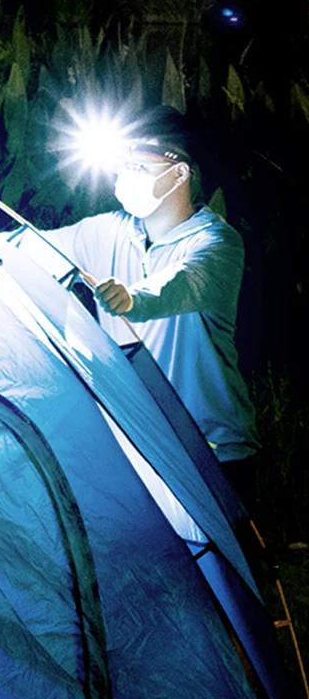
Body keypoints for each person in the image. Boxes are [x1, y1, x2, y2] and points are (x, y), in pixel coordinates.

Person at [30, 110, 260, 506]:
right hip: (139, 450)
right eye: (124, 166)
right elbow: (28, 246)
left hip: (213, 454)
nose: (126, 175)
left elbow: (182, 283)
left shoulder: (217, 243)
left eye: (139, 166)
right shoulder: (105, 230)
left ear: (179, 173)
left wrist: (132, 298)